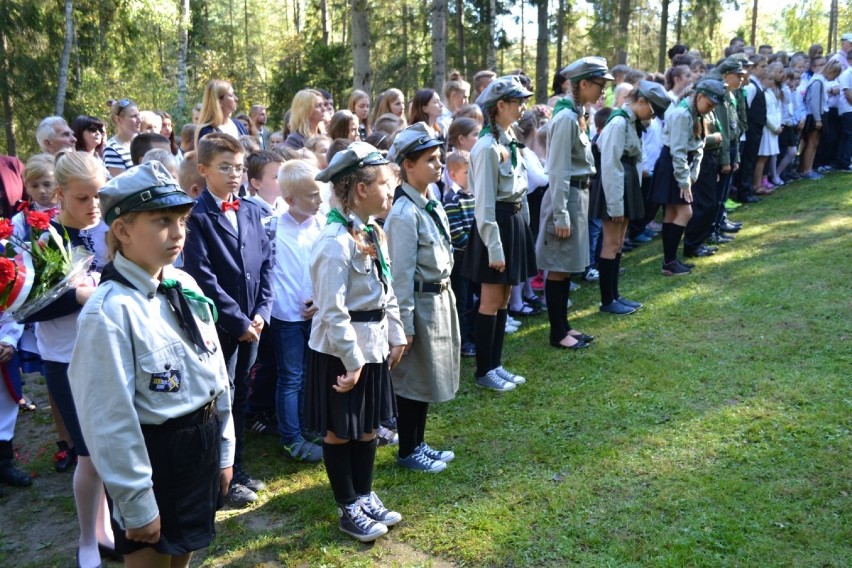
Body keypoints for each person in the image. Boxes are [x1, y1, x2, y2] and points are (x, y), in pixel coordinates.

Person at [68, 161, 234, 568]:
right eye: (162, 221)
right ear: (122, 231)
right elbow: (109, 420)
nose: (177, 232)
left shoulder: (184, 285)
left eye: (182, 219)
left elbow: (215, 375)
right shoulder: (109, 313)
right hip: (154, 458)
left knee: (183, 556)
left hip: (200, 446)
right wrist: (137, 501)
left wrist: (225, 449)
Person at [307, 142, 405, 541]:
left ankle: (364, 494)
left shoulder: (372, 232)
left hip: (373, 345)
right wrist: (352, 360)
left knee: (367, 426)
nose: (389, 192)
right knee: (340, 429)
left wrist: (396, 333)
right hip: (341, 352)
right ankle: (348, 506)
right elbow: (331, 311)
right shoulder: (334, 241)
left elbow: (387, 287)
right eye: (384, 184)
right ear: (361, 189)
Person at [21, 151, 113, 568]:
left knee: (111, 450)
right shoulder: (43, 241)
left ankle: (106, 530)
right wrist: (81, 295)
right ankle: (87, 540)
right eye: (83, 198)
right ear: (59, 195)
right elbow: (27, 308)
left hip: (111, 352)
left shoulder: (109, 231)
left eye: (99, 196)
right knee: (89, 455)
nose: (93, 205)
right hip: (66, 358)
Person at [182, 133, 273, 507]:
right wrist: (238, 321)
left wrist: (262, 312)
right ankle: (219, 473)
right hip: (220, 325)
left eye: (239, 167)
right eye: (225, 167)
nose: (234, 174)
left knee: (241, 395)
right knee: (221, 397)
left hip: (252, 323)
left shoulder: (252, 209)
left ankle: (237, 466)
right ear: (203, 170)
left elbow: (267, 263)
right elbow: (202, 277)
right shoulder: (197, 217)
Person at [384, 123, 461, 469]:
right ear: (407, 166)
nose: (438, 164)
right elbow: (400, 275)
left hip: (439, 301)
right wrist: (405, 325)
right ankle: (408, 449)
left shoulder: (430, 202)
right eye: (429, 160)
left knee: (426, 376)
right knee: (412, 380)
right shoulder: (403, 214)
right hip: (418, 304)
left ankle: (419, 442)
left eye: (439, 158)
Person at [460, 75, 535, 392]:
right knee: (490, 300)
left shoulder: (508, 140)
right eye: (517, 103)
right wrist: (495, 248)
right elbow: (485, 205)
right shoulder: (487, 148)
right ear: (500, 106)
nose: (523, 108)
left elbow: (520, 193)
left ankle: (496, 363)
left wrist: (525, 230)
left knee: (504, 298)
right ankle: (483, 371)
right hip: (496, 229)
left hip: (513, 224)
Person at [538, 57, 613, 350]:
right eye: (599, 85)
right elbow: (557, 170)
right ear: (582, 84)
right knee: (558, 266)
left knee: (566, 266)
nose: (603, 92)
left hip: (578, 195)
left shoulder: (576, 113)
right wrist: (561, 216)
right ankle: (558, 333)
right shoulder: (566, 118)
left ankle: (565, 326)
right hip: (566, 197)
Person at [593, 80, 670, 315]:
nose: (652, 116)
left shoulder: (631, 122)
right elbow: (610, 163)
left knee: (618, 245)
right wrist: (615, 204)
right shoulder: (617, 122)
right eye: (651, 110)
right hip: (614, 187)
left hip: (625, 185)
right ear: (641, 101)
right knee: (611, 243)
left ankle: (615, 295)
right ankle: (608, 300)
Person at [267, 160, 325, 463]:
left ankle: (305, 427)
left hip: (315, 313)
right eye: (312, 195)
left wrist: (320, 298)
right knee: (290, 377)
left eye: (319, 194)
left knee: (306, 375)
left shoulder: (322, 225)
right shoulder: (272, 228)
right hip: (285, 316)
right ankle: (291, 438)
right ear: (289, 200)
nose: (318, 201)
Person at [650, 78, 725, 275]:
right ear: (699, 97)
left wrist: (694, 173)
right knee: (685, 213)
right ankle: (669, 261)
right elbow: (678, 150)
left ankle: (670, 261)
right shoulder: (682, 114)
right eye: (709, 104)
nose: (710, 109)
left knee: (673, 213)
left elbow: (698, 145)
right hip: (674, 165)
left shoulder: (696, 112)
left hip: (681, 165)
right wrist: (684, 180)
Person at [442, 150, 476, 357]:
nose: (471, 176)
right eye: (466, 172)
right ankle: (462, 342)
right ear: (453, 175)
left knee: (475, 298)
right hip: (462, 259)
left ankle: (473, 335)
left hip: (475, 257)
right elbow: (456, 232)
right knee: (462, 301)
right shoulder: (452, 199)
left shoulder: (474, 195)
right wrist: (474, 248)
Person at [195, 80, 248, 145]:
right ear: (219, 101)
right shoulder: (207, 132)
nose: (236, 98)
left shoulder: (239, 125)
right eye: (231, 95)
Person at [104, 99, 141, 178]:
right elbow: (122, 184)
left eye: (139, 115)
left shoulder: (145, 140)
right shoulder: (112, 148)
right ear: (118, 120)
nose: (139, 120)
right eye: (134, 116)